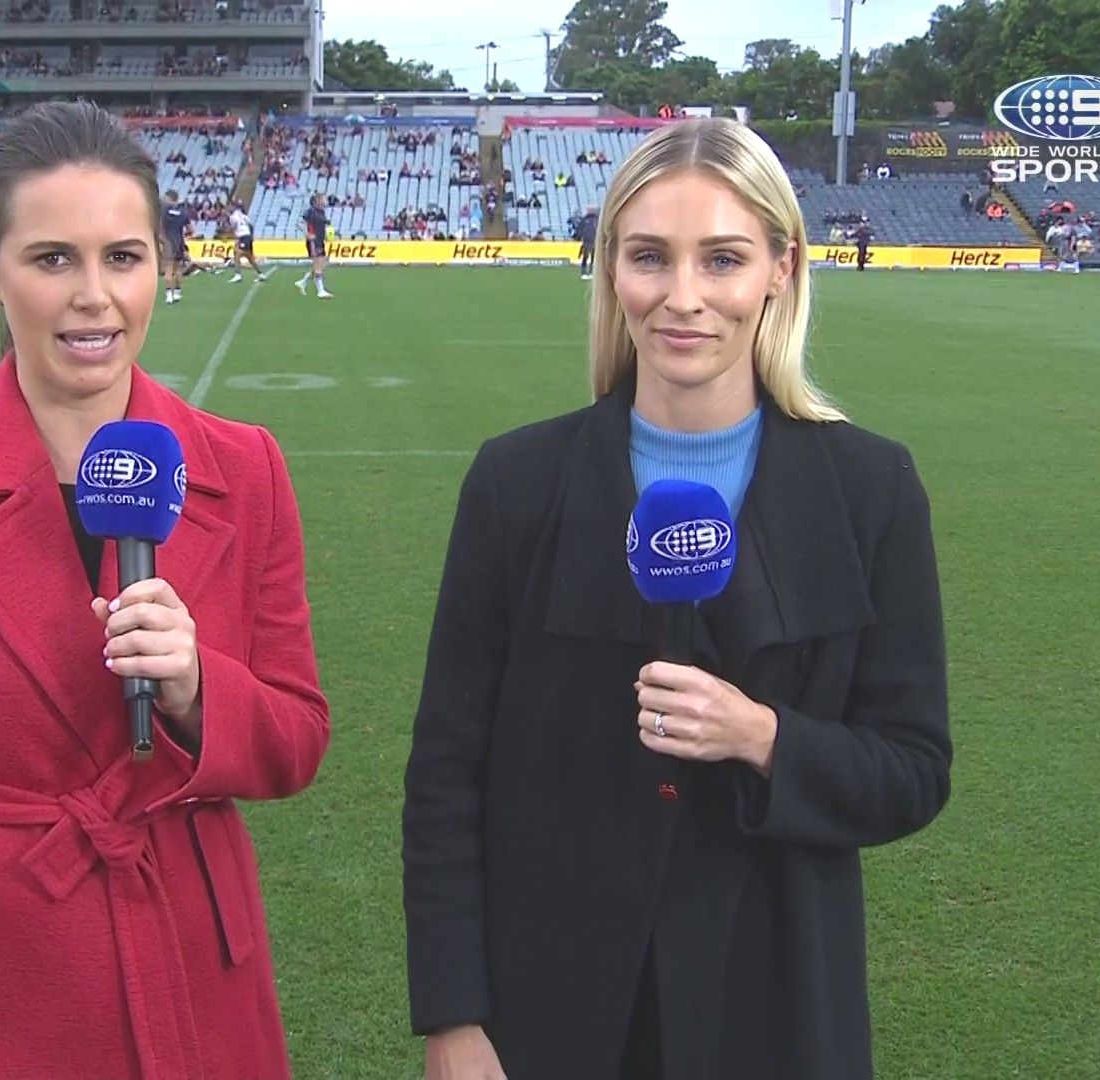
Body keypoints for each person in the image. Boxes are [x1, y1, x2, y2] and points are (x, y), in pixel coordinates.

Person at [0, 100, 331, 1079]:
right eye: (52, 260)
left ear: (162, 264)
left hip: (196, 964)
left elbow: (296, 739)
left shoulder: (246, 469)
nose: (94, 296)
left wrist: (198, 689)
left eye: (123, 257)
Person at [402, 117, 952, 1080]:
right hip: (551, 1008)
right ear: (611, 268)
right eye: (650, 257)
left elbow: (912, 769)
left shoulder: (872, 489)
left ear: (781, 269)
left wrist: (762, 737)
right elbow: (447, 771)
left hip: (779, 1006)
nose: (683, 297)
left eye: (723, 259)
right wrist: (452, 1017)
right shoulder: (515, 483)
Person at [296, 192, 332, 298]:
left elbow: (321, 227)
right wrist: (306, 233)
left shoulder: (322, 212)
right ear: (318, 200)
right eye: (324, 198)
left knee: (322, 264)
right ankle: (320, 291)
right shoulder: (311, 211)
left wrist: (326, 235)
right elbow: (299, 223)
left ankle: (303, 282)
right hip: (313, 242)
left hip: (320, 241)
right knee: (318, 266)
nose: (326, 200)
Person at [160, 187, 191, 303]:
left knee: (168, 269)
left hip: (168, 242)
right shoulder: (183, 213)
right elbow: (191, 230)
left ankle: (169, 295)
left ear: (169, 198)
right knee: (177, 269)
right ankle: (177, 293)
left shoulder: (163, 212)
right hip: (179, 242)